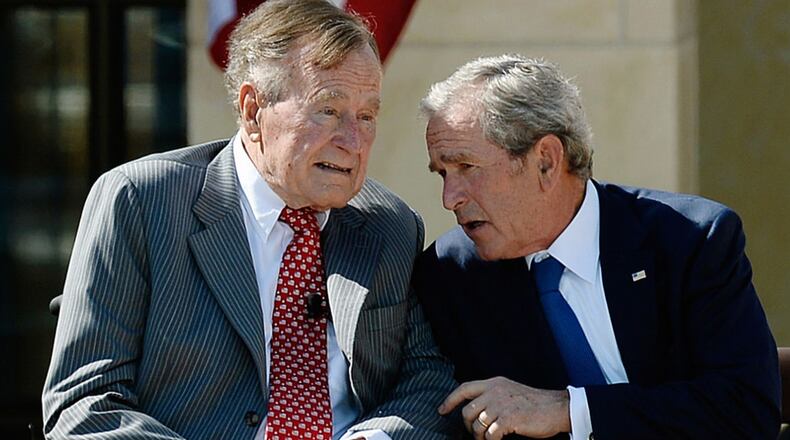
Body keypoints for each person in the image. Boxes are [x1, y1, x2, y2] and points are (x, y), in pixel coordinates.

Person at [41, 1, 459, 439]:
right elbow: (84, 401)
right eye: (328, 110)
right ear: (253, 109)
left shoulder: (388, 225)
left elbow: (427, 378)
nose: (354, 141)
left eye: (367, 116)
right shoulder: (142, 202)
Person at [413, 54, 780, 440]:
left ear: (546, 161)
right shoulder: (448, 275)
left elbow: (747, 410)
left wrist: (571, 411)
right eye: (442, 174)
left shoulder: (690, 241)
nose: (449, 198)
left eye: (466, 167)